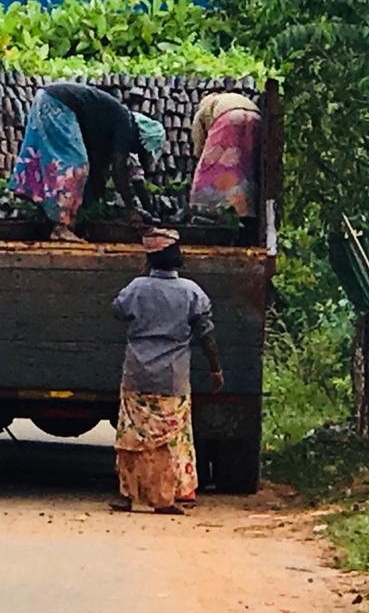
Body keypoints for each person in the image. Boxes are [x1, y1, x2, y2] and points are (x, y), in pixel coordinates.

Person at [111, 228, 223, 515]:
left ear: (150, 259)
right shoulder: (192, 292)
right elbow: (206, 334)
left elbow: (118, 310)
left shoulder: (137, 287)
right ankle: (166, 497)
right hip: (172, 379)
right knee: (170, 439)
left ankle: (129, 495)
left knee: (132, 436)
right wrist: (215, 369)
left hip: (137, 374)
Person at [9, 81, 164, 242]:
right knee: (76, 167)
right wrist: (131, 210)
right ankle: (59, 227)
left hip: (46, 97)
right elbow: (118, 169)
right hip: (58, 103)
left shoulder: (106, 125)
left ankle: (53, 220)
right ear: (141, 139)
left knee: (50, 162)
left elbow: (101, 170)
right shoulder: (126, 124)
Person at [189, 91, 261, 220]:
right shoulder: (234, 99)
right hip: (256, 119)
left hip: (229, 119)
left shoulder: (205, 108)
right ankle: (246, 210)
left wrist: (199, 155)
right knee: (246, 167)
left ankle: (205, 207)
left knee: (211, 167)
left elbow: (198, 136)